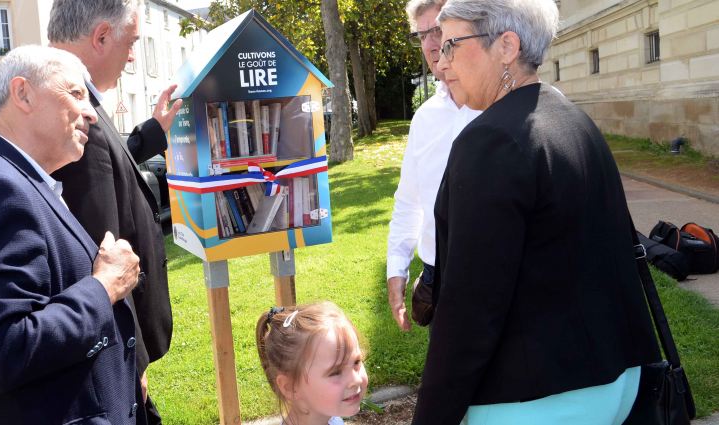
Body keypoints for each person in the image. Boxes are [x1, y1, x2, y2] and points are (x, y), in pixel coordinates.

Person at [410, 0, 662, 423]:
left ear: (507, 45)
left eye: (452, 43)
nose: (442, 57)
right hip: (617, 379)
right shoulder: (573, 120)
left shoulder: (489, 140)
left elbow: (471, 309)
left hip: (539, 397)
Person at [0, 45, 147, 424]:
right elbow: (2, 351)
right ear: (23, 93)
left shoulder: (12, 178)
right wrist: (104, 286)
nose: (91, 113)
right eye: (75, 94)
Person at [47, 2, 182, 423]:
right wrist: (132, 360)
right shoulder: (72, 113)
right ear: (102, 36)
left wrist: (152, 133)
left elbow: (108, 159)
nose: (132, 56)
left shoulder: (72, 99)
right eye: (131, 43)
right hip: (114, 353)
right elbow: (99, 257)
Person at [386, 0, 481, 331]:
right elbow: (409, 200)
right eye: (422, 34)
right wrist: (397, 269)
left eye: (438, 30)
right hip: (435, 275)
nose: (430, 43)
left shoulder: (500, 108)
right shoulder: (424, 118)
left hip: (494, 273)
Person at [256, 302, 369, 425]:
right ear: (290, 387)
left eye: (357, 362)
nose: (356, 380)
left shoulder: (333, 420)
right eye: (335, 372)